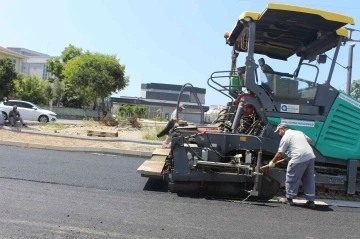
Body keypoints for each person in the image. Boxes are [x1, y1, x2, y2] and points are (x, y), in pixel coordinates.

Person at [268, 123, 316, 209]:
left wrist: (273, 162)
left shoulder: (286, 137)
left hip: (298, 157)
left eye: (278, 131)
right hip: (310, 156)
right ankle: (311, 200)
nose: (278, 134)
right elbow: (309, 140)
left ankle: (289, 198)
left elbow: (279, 153)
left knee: (292, 177)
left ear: (282, 129)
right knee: (309, 179)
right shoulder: (299, 132)